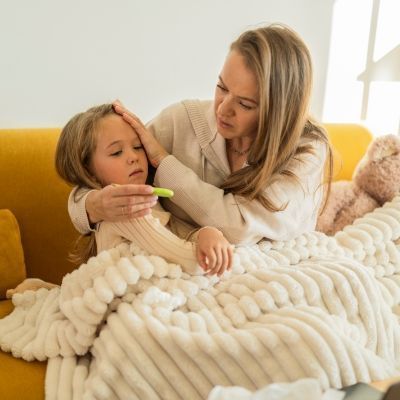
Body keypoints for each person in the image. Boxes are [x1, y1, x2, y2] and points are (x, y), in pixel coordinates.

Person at [68, 23, 332, 247]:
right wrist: (93, 205)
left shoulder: (306, 149)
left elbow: (240, 229)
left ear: (279, 111)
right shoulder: (180, 122)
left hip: (271, 276)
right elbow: (95, 176)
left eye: (245, 104)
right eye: (221, 87)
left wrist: (165, 163)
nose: (223, 109)